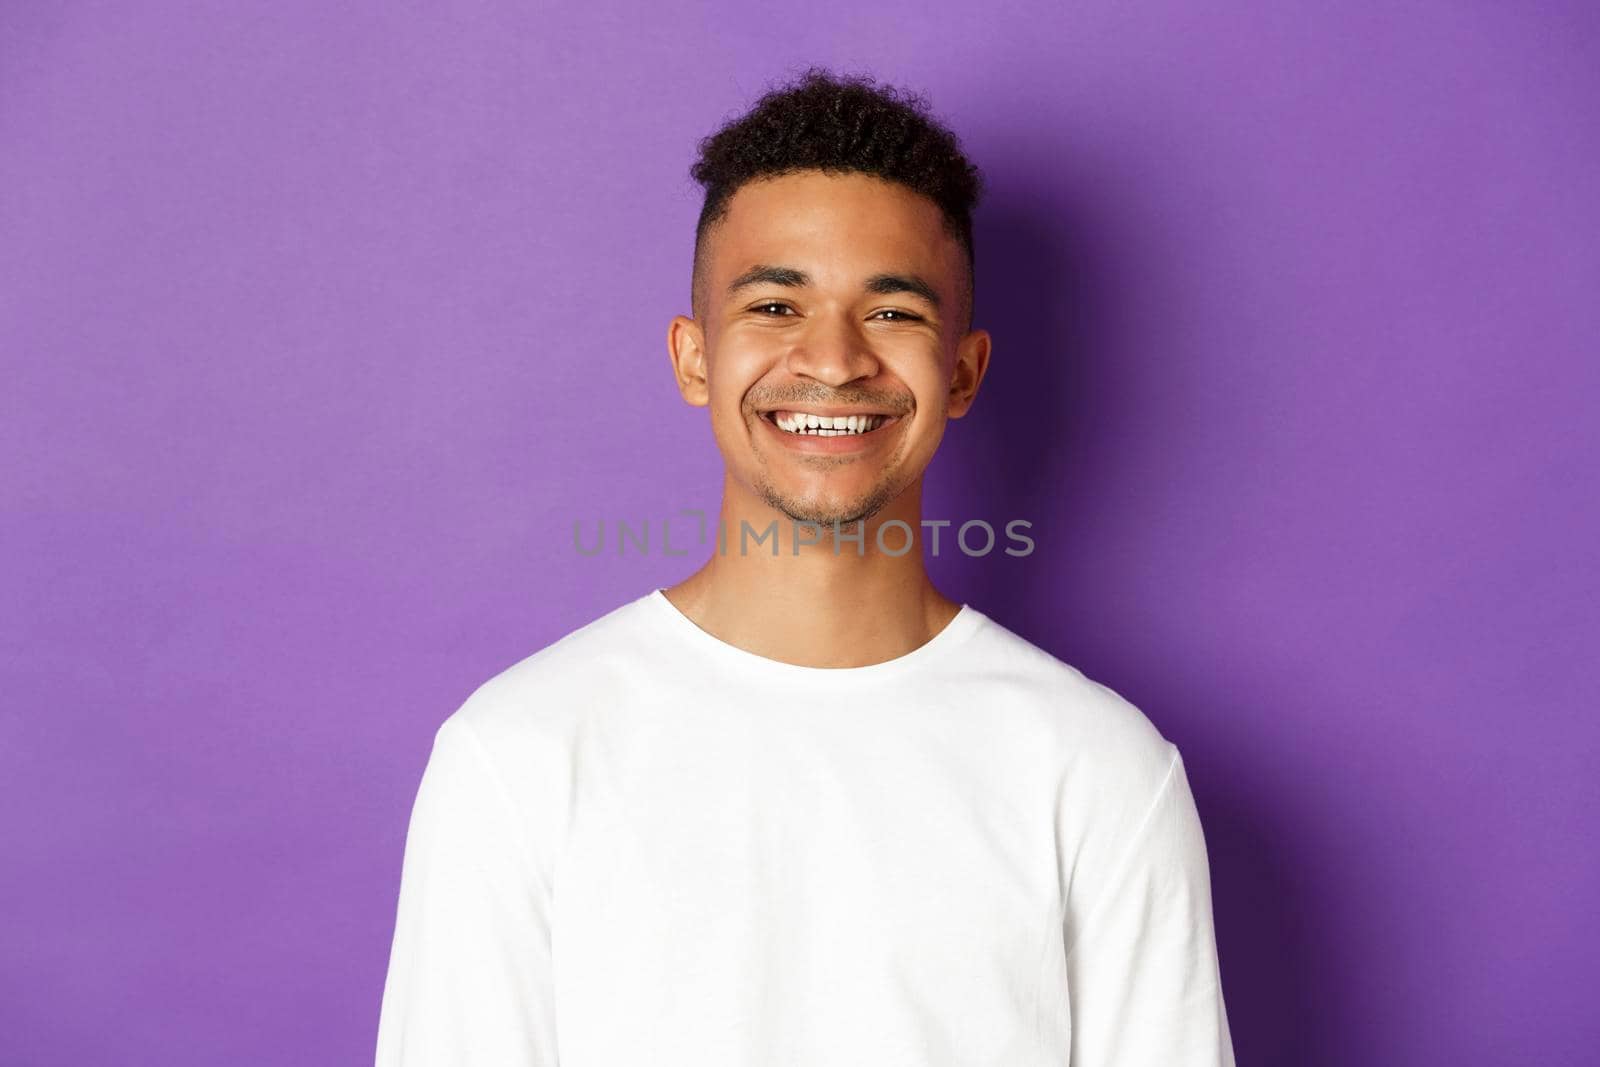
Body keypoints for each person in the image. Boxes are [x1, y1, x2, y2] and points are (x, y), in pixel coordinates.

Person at [375, 66, 1236, 1066]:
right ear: (694, 358)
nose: (832, 361)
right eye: (776, 307)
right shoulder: (518, 751)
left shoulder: (1097, 771)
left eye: (893, 312)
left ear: (961, 372)